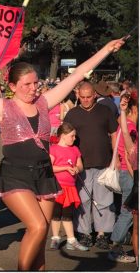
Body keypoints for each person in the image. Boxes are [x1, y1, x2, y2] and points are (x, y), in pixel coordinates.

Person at [0, 35, 125, 270]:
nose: (33, 88)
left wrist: (105, 49)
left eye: (35, 83)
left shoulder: (44, 102)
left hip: (44, 176)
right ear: (12, 87)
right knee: (39, 226)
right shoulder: (3, 106)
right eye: (27, 85)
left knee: (40, 244)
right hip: (15, 176)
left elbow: (76, 75)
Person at [64, 82, 119, 250]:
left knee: (104, 201)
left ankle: (102, 233)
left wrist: (116, 157)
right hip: (81, 165)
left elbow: (114, 133)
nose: (86, 100)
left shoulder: (105, 111)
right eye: (83, 97)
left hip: (104, 162)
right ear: (78, 95)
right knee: (82, 200)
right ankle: (85, 233)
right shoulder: (72, 114)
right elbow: (65, 137)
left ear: (95, 95)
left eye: (89, 97)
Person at [108, 93, 138, 263]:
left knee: (127, 211)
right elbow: (129, 153)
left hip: (125, 172)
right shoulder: (131, 126)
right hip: (130, 174)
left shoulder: (123, 123)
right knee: (128, 212)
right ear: (135, 109)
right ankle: (116, 246)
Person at [49, 122, 88, 251]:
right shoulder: (53, 148)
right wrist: (65, 167)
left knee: (67, 214)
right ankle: (55, 238)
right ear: (63, 136)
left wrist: (77, 168)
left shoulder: (75, 149)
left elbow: (81, 166)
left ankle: (71, 240)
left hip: (70, 188)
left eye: (75, 136)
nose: (74, 138)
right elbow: (50, 168)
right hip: (57, 187)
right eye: (72, 136)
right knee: (56, 214)